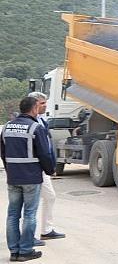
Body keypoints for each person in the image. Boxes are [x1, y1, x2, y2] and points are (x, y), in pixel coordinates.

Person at [1, 96, 55, 262]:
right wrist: (50, 170)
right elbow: (45, 153)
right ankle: (25, 250)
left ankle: (14, 251)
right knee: (30, 214)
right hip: (31, 177)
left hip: (13, 177)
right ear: (33, 109)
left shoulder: (7, 127)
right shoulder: (35, 127)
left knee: (12, 215)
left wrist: (10, 169)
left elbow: (3, 153)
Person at [28, 92, 66, 243]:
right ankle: (28, 236)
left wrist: (51, 165)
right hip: (33, 167)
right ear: (34, 104)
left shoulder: (43, 120)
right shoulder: (28, 122)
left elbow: (47, 145)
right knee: (30, 203)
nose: (45, 106)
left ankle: (46, 230)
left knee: (50, 196)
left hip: (43, 167)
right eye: (42, 103)